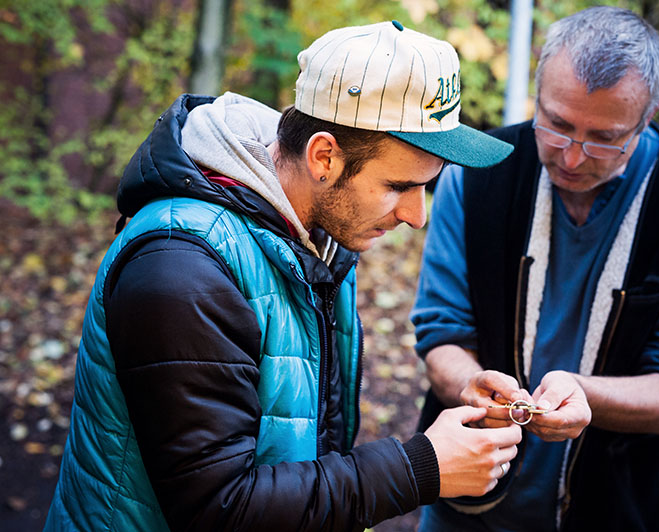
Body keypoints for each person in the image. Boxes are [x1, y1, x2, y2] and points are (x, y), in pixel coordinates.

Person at [43, 21, 527, 532]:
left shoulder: (308, 232)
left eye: (426, 188)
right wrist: (420, 468)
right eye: (398, 186)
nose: (416, 215)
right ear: (323, 156)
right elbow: (220, 509)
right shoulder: (180, 268)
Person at [411, 6, 659, 532]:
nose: (571, 158)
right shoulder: (476, 174)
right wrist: (471, 382)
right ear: (538, 89)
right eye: (557, 125)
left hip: (622, 508)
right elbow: (441, 332)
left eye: (604, 138)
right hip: (465, 507)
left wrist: (583, 394)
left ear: (650, 112)